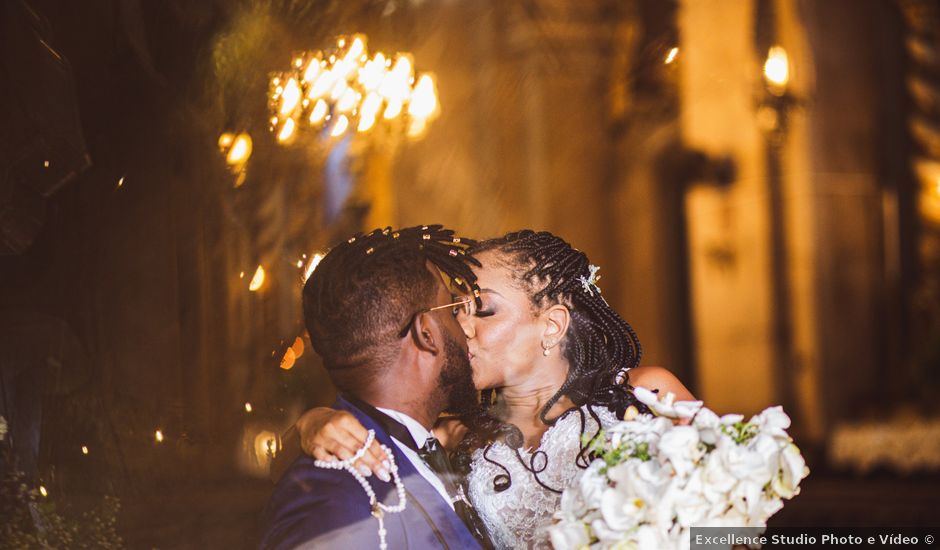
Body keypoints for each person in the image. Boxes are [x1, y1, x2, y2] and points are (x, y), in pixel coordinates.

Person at [291, 230, 695, 549]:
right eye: (457, 309)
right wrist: (312, 423)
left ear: (551, 326)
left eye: (483, 310)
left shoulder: (646, 397)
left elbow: (748, 527)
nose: (462, 328)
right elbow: (318, 472)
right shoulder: (458, 439)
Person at [259, 225, 493, 550]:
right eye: (452, 309)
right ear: (426, 333)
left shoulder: (427, 447)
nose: (466, 328)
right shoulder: (336, 499)